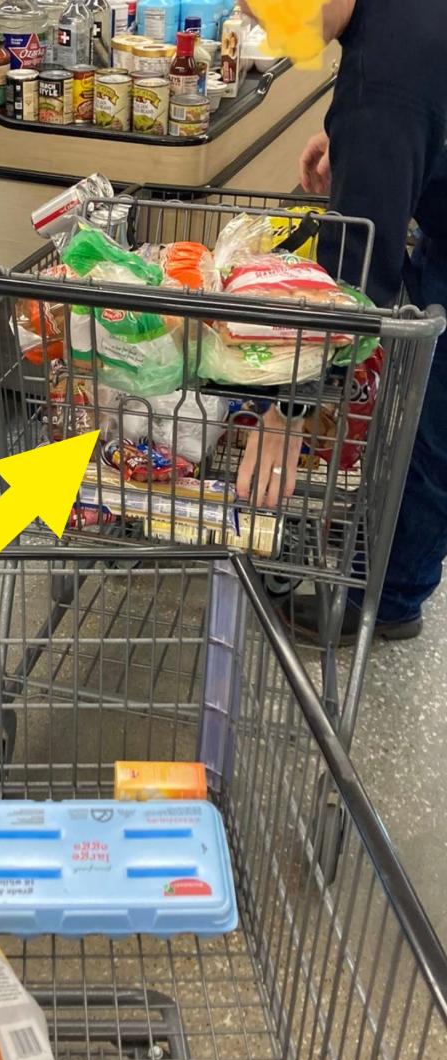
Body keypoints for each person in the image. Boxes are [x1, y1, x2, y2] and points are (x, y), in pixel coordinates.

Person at [239, 0, 447, 643]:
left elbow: (354, 284)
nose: (271, 28)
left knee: (434, 413)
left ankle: (385, 600)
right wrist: (359, 142)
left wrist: (287, 416)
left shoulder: (383, 81)